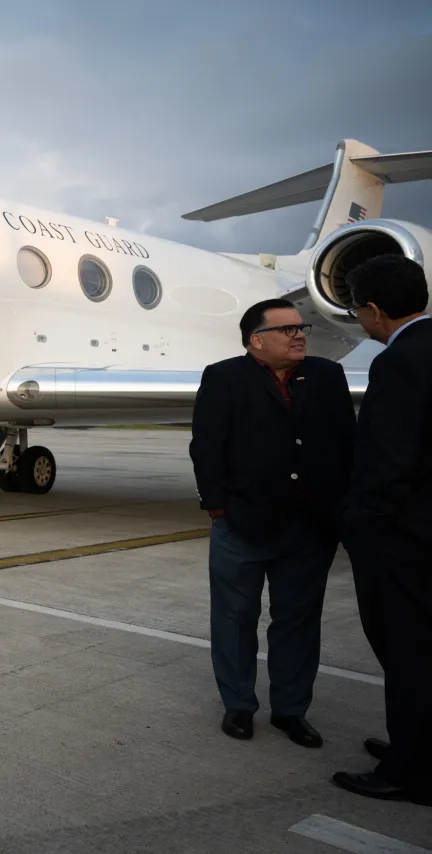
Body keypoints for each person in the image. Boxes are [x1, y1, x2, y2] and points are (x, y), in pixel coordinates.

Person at [189, 298, 355, 746]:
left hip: (309, 527)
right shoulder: (223, 377)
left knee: (298, 621)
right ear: (256, 340)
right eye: (287, 330)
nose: (300, 334)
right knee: (234, 617)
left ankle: (291, 710)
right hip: (242, 524)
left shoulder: (327, 376)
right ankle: (239, 705)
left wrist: (338, 508)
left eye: (301, 328)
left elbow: (345, 444)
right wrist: (218, 507)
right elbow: (206, 446)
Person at [333, 254, 432, 806]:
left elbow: (390, 463)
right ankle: (413, 746)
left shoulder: (400, 362)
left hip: (405, 541)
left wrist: (357, 525)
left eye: (356, 310)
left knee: (407, 652)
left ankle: (410, 771)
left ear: (373, 311)